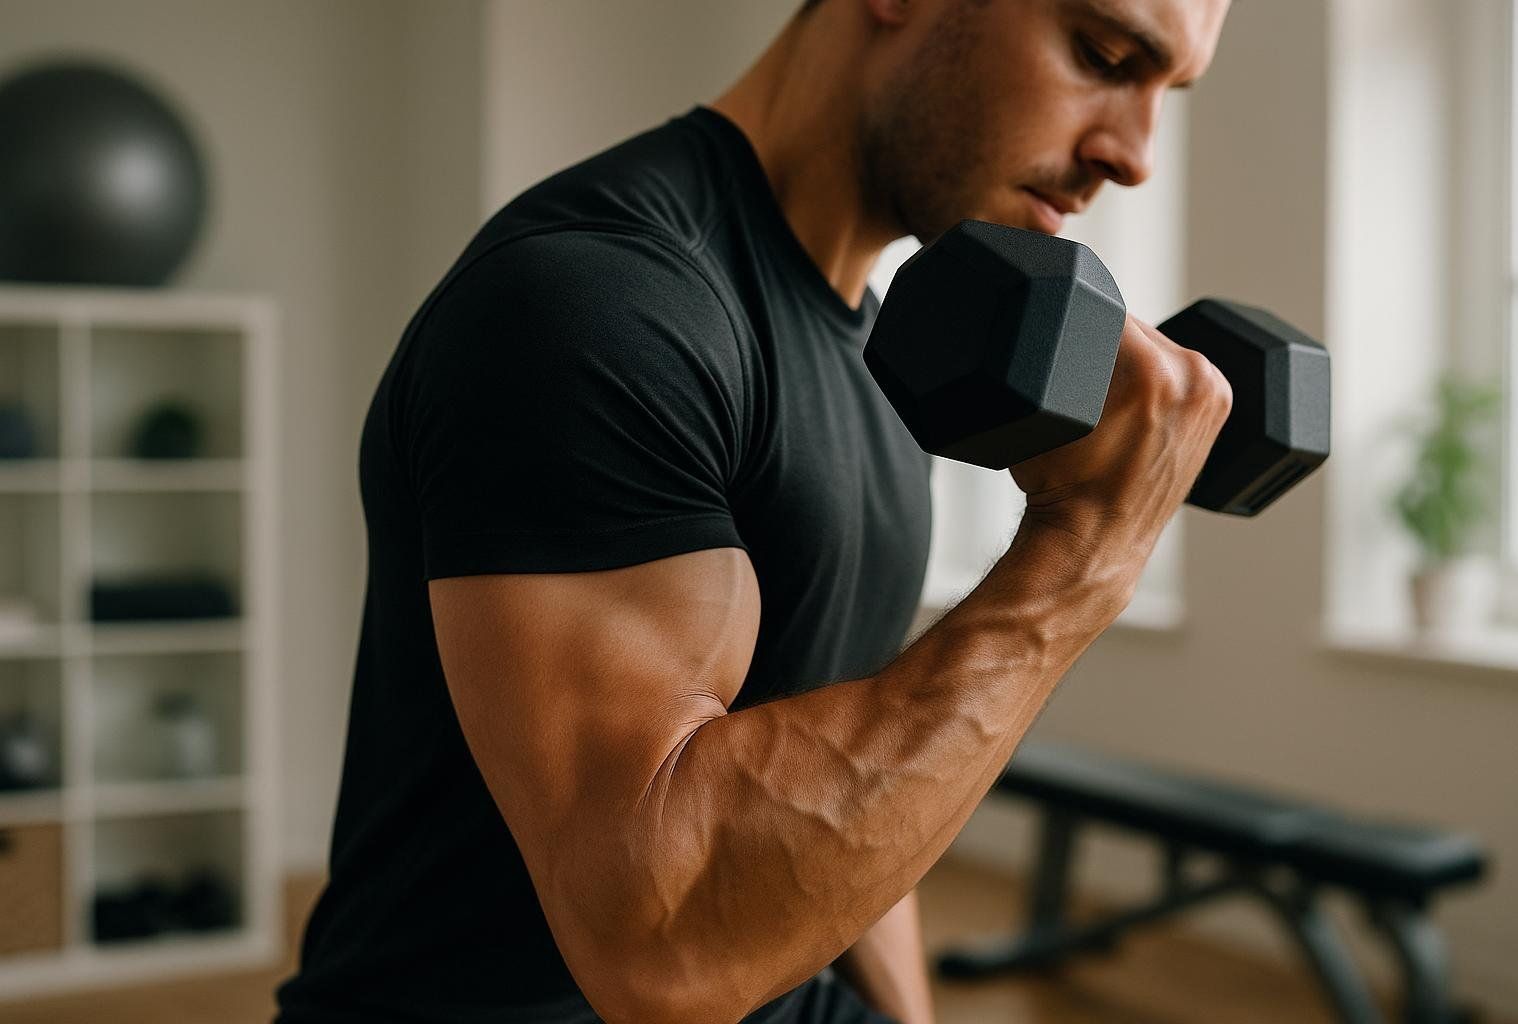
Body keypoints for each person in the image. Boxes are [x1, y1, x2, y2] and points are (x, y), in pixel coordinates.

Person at [274, 0, 1233, 1021]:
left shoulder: (887, 359)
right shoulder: (600, 306)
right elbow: (660, 942)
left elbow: (852, 774)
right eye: (1104, 53)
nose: (1135, 156)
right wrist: (1085, 549)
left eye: (1165, 94)